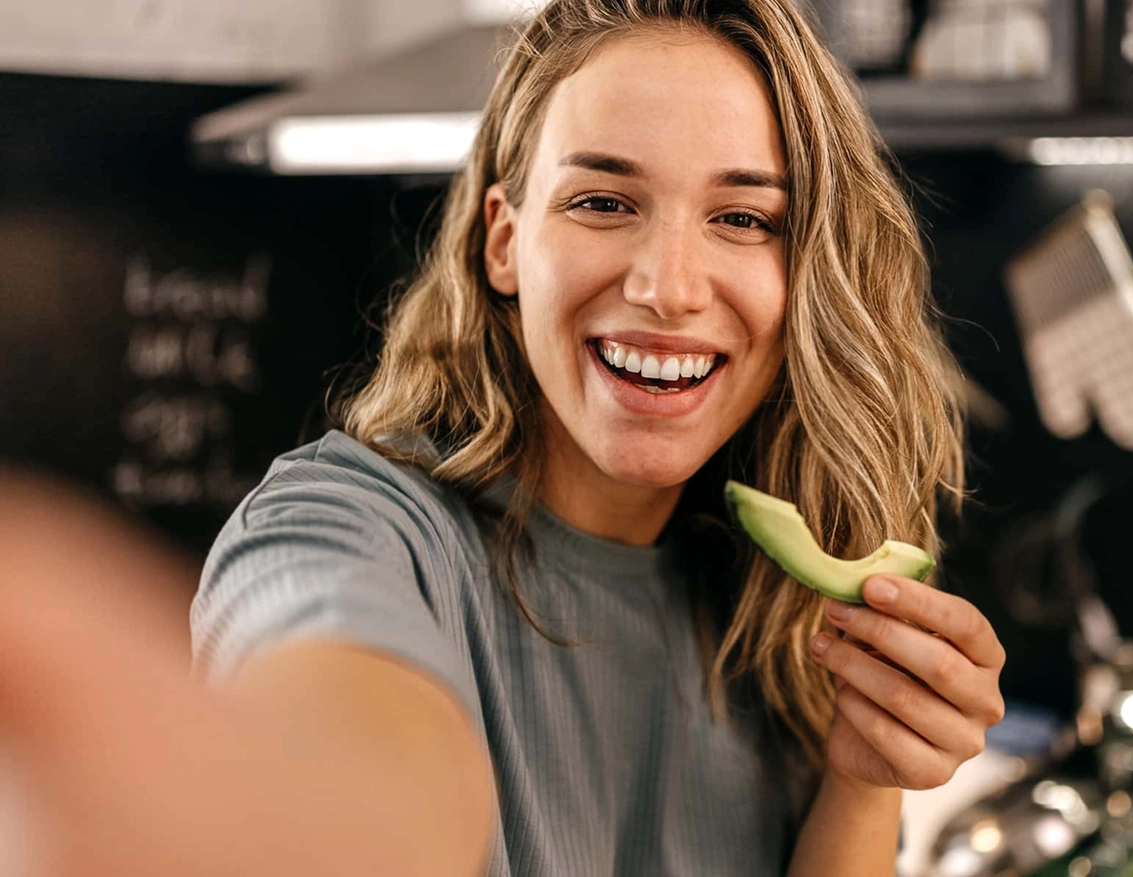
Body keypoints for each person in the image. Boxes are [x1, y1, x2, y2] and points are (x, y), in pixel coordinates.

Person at [0, 0, 1006, 874]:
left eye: (744, 219)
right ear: (505, 239)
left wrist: (867, 776)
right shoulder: (352, 527)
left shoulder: (774, 599)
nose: (668, 286)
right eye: (604, 202)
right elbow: (350, 730)